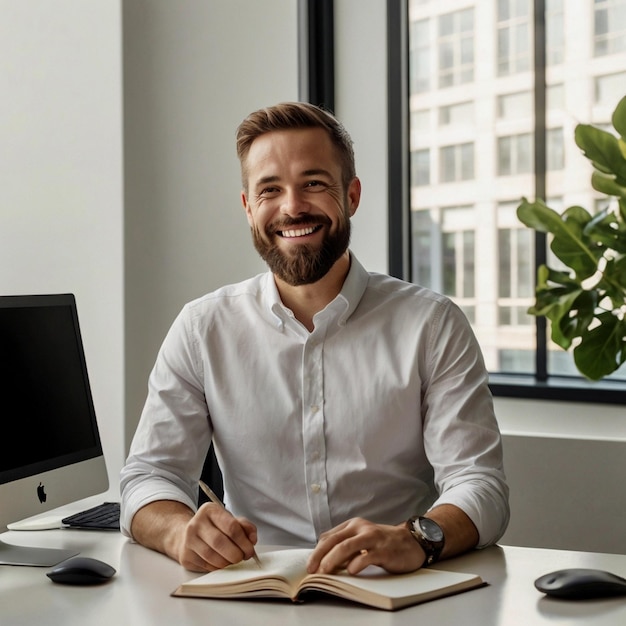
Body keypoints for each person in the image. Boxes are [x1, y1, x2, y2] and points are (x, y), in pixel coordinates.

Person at [120, 101, 509, 576]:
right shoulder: (202, 328)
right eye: (270, 190)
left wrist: (416, 537)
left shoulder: (432, 324)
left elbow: (480, 483)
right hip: (254, 594)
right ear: (248, 207)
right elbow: (147, 477)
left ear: (352, 195)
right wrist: (179, 532)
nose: (292, 207)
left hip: (397, 593)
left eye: (313, 184)